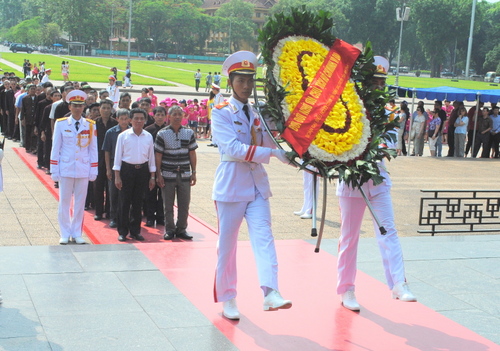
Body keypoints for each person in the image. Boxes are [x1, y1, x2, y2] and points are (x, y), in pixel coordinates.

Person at [211, 51, 293, 320]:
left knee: (264, 238)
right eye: (241, 80)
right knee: (227, 245)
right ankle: (228, 297)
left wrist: (290, 153)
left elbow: (268, 142)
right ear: (231, 82)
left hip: (256, 185)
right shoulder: (221, 111)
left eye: (250, 80)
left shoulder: (257, 113)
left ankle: (271, 291)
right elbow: (233, 148)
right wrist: (272, 154)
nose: (246, 86)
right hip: (232, 185)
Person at [337, 56, 416, 312]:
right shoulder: (348, 109)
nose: (377, 87)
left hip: (378, 180)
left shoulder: (390, 113)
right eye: (373, 82)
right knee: (349, 238)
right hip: (352, 183)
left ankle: (398, 283)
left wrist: (370, 151)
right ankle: (346, 289)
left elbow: (390, 145)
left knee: (388, 230)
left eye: (381, 83)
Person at [50, 90, 98, 244]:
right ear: (69, 106)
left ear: (84, 107)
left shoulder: (90, 125)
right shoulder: (61, 123)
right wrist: (54, 169)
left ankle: (77, 232)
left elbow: (93, 149)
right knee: (64, 202)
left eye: (80, 105)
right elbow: (55, 147)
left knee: (80, 203)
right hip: (66, 167)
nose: (78, 108)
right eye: (74, 105)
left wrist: (93, 169)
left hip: (83, 168)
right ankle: (64, 232)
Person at [113, 108, 156, 242]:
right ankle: (122, 231)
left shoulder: (148, 136)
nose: (139, 121)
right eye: (136, 118)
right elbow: (117, 157)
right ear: (130, 120)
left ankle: (135, 231)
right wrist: (117, 176)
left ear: (145, 120)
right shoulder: (123, 136)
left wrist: (152, 176)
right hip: (126, 170)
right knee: (124, 202)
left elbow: (151, 157)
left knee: (138, 202)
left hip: (142, 170)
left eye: (141, 119)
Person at [155, 105, 198, 240]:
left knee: (184, 204)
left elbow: (192, 153)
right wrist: (158, 174)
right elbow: (158, 156)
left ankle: (181, 229)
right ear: (169, 116)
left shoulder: (189, 132)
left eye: (180, 114)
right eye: (175, 114)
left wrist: (194, 172)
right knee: (167, 205)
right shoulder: (162, 133)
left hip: (184, 174)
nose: (177, 117)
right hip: (168, 174)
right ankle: (170, 229)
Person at [102, 109, 131, 228]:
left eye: (126, 119)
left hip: (129, 165)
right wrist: (108, 168)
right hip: (115, 165)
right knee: (113, 193)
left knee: (128, 193)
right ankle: (113, 217)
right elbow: (107, 151)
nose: (124, 121)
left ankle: (127, 217)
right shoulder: (111, 132)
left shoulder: (133, 131)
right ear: (117, 119)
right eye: (121, 119)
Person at [93, 99, 118, 220]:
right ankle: (98, 211)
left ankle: (109, 211)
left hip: (111, 159)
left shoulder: (115, 124)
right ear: (99, 109)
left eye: (108, 108)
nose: (106, 110)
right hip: (97, 158)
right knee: (98, 186)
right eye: (104, 108)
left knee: (110, 187)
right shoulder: (93, 123)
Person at [145, 106, 168, 228]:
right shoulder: (148, 130)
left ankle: (161, 217)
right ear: (153, 116)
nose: (159, 117)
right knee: (150, 193)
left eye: (162, 115)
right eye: (157, 115)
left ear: (165, 117)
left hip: (165, 165)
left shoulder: (168, 130)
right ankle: (150, 217)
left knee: (163, 193)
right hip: (150, 165)